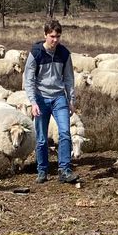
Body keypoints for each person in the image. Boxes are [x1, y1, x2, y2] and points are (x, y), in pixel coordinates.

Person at [23, 19, 79, 184]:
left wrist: (71, 100)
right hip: (41, 98)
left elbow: (69, 78)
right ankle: (42, 171)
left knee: (65, 133)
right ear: (45, 35)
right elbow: (29, 79)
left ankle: (65, 170)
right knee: (41, 138)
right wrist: (33, 102)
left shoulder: (64, 53)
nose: (55, 40)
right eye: (52, 36)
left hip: (59, 97)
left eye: (58, 36)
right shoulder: (36, 53)